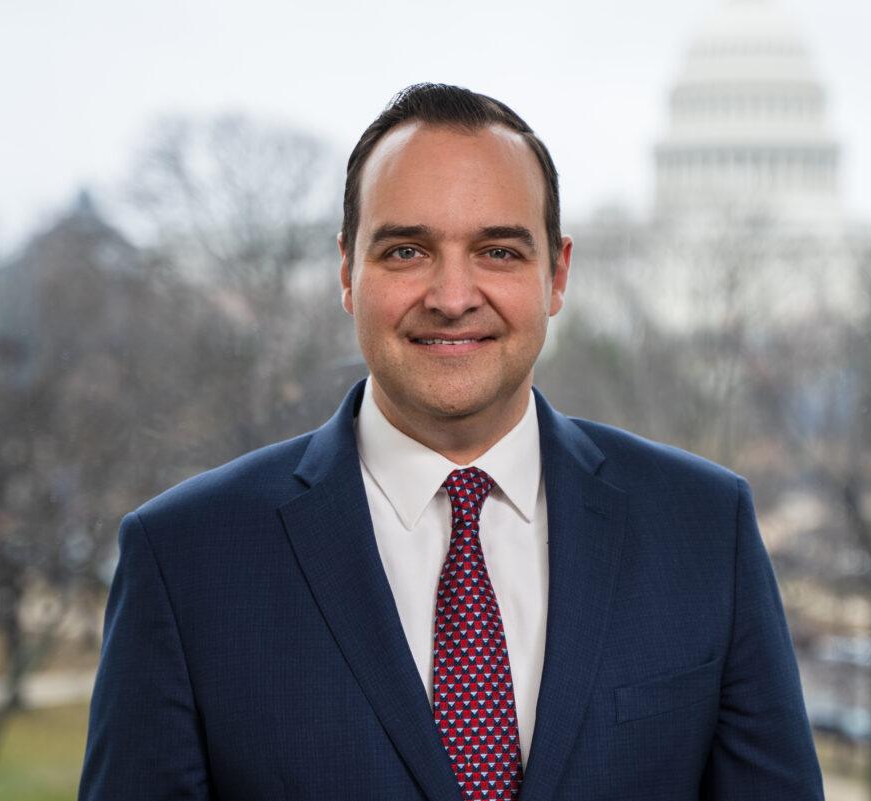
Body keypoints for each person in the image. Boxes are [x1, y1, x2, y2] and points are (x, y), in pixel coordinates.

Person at [78, 83, 824, 801]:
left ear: (557, 275)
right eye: (406, 251)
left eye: (498, 251)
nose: (453, 296)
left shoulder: (704, 529)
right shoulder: (184, 560)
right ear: (345, 271)